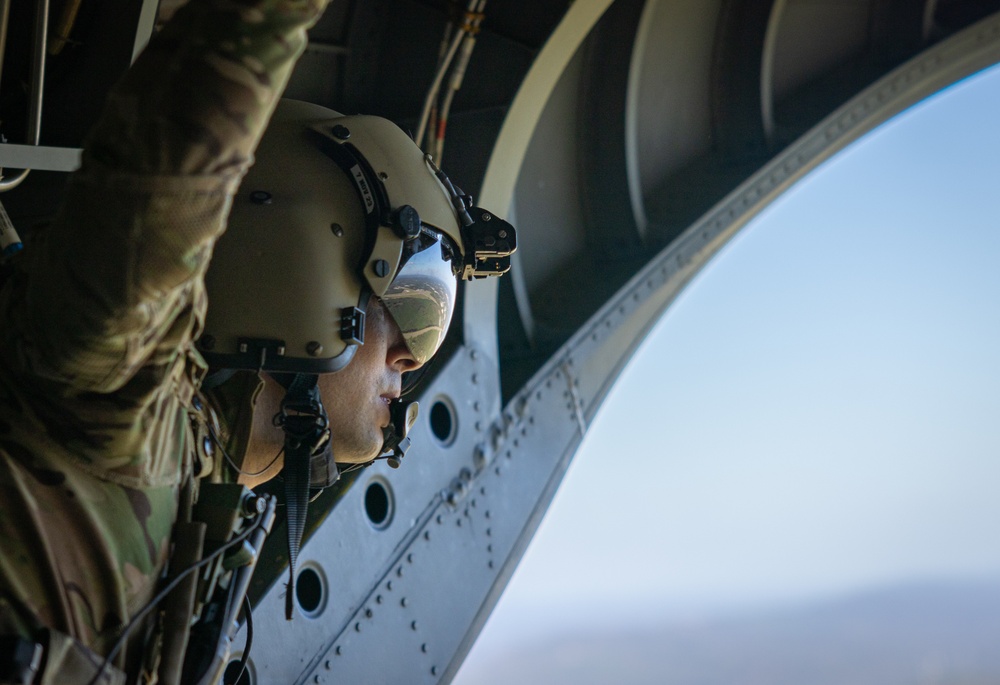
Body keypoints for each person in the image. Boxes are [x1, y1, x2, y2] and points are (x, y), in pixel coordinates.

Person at [0, 0, 515, 682]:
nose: (411, 360)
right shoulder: (124, 391)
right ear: (302, 257)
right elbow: (168, 177)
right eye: (412, 298)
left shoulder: (206, 511)